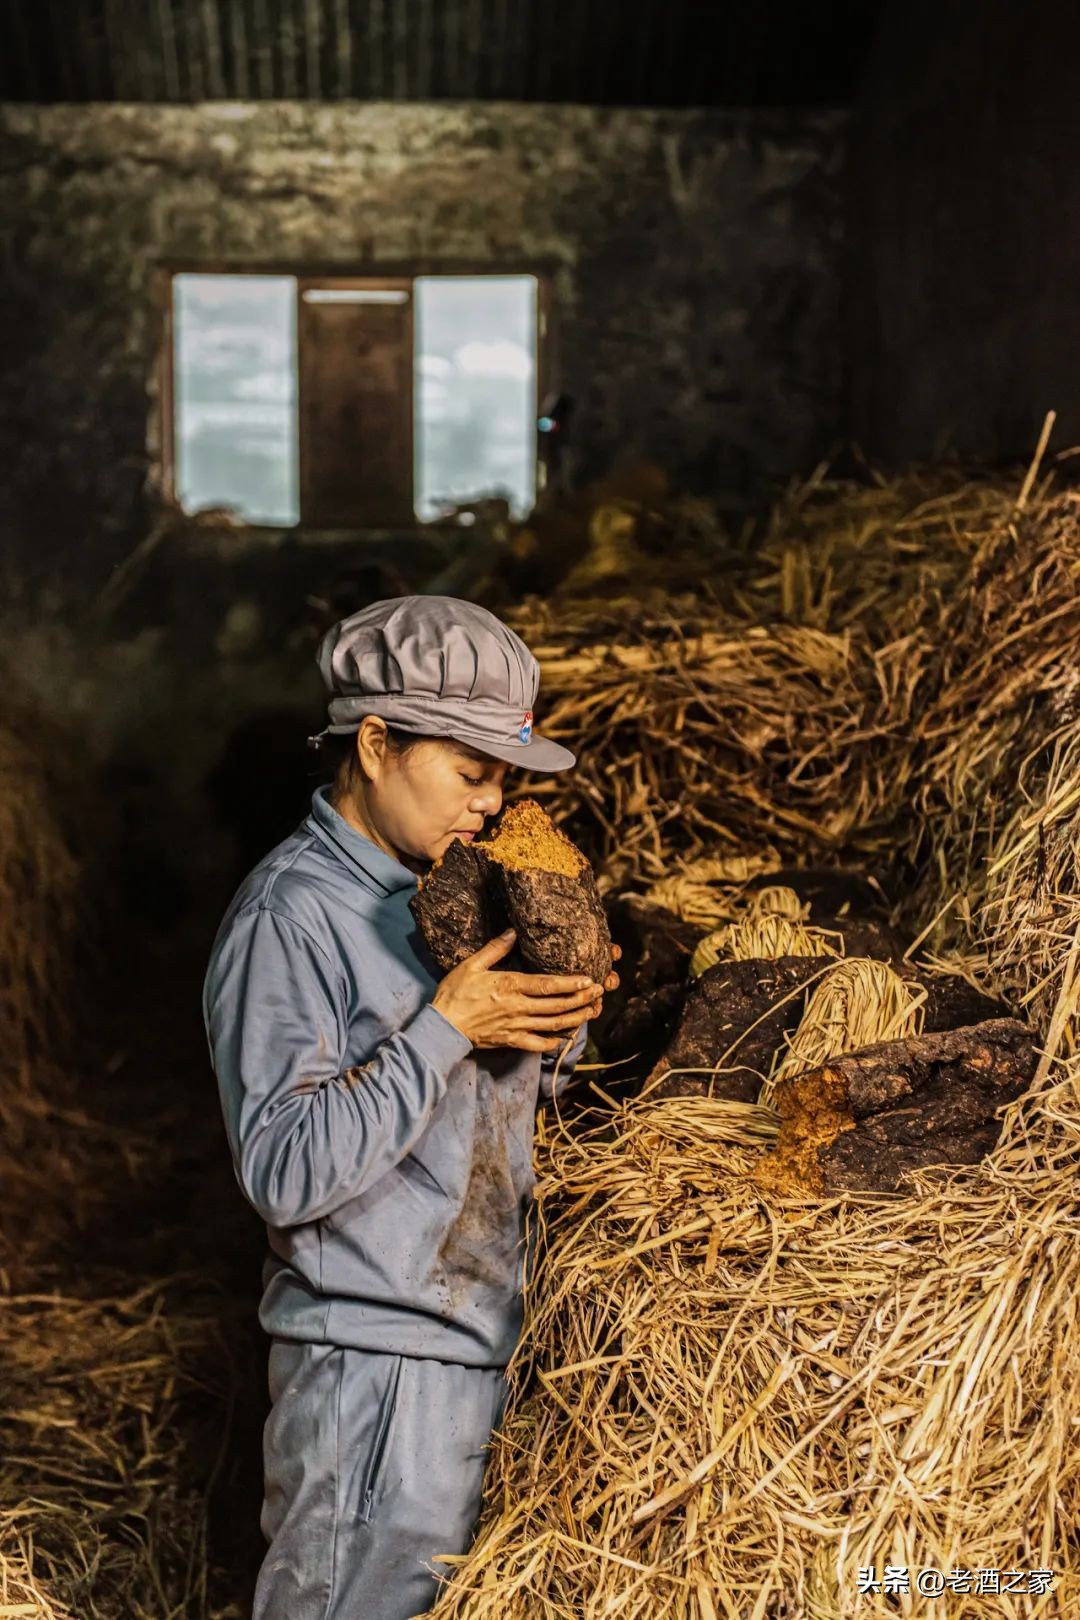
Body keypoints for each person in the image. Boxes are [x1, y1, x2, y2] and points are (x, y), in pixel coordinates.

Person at [202, 595, 621, 1620]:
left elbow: (488, 1108)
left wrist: (558, 1026)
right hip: (372, 1368)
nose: (491, 801)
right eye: (469, 772)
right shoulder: (289, 920)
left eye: (506, 777)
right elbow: (283, 1169)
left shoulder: (444, 894)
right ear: (379, 744)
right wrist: (445, 1026)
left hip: (477, 1337)